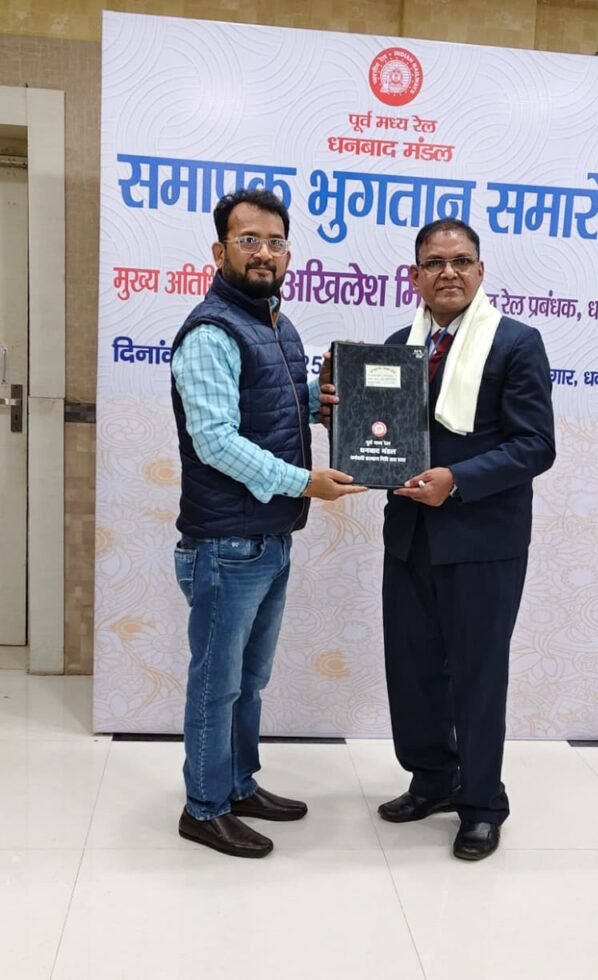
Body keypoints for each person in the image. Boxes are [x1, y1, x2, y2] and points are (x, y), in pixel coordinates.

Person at [326, 218, 556, 860]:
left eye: (460, 261)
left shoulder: (516, 343)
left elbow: (536, 445)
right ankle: (432, 779)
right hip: (410, 536)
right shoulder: (397, 346)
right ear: (416, 276)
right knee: (413, 669)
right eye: (434, 262)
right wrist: (336, 412)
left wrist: (457, 480)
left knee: (477, 676)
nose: (448, 272)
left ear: (480, 271)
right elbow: (378, 435)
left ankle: (481, 804)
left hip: (482, 541)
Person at [171, 188, 364, 858]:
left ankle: (238, 784)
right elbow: (215, 441)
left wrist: (316, 399)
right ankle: (204, 808)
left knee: (249, 682)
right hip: (225, 543)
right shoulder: (211, 332)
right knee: (216, 684)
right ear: (220, 250)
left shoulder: (278, 325)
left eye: (275, 241)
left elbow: (264, 407)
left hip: (269, 537)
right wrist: (305, 481)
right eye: (248, 239)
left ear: (288, 253)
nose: (264, 252)